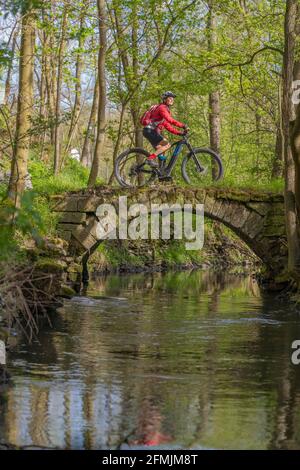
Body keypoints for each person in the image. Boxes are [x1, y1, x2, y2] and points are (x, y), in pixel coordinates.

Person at [141, 91, 188, 167]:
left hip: (149, 131)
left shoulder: (163, 113)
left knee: (161, 152)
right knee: (167, 144)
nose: (172, 99)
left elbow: (168, 127)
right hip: (150, 131)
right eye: (170, 98)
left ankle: (161, 172)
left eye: (173, 98)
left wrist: (180, 133)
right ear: (165, 99)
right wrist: (183, 125)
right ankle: (149, 159)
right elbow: (170, 120)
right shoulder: (162, 108)